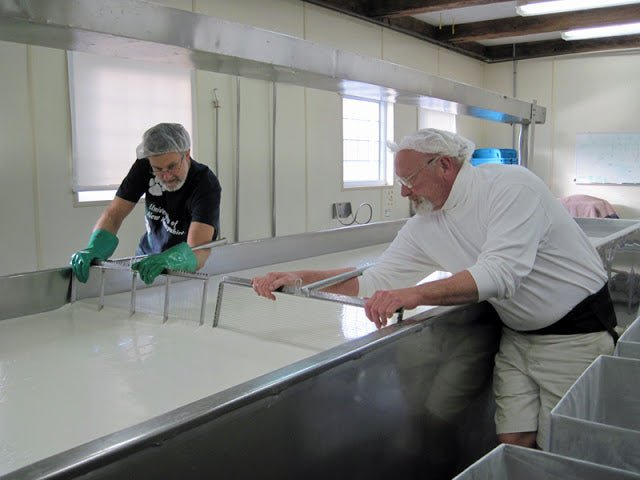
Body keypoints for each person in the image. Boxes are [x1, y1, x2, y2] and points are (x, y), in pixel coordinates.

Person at [252, 128, 617, 451]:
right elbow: (376, 280)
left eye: (410, 178)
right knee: (514, 439)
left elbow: (501, 272)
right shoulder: (427, 222)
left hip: (576, 335)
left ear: (444, 165)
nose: (404, 191)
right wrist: (300, 277)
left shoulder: (510, 188)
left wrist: (417, 294)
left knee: (567, 445)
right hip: (519, 335)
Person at [71, 122, 221, 285]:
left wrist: (170, 261)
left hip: (186, 266)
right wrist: (95, 246)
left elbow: (199, 249)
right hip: (147, 257)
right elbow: (114, 214)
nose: (166, 176)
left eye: (172, 166)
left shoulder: (205, 184)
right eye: (157, 169)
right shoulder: (144, 167)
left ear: (186, 154)